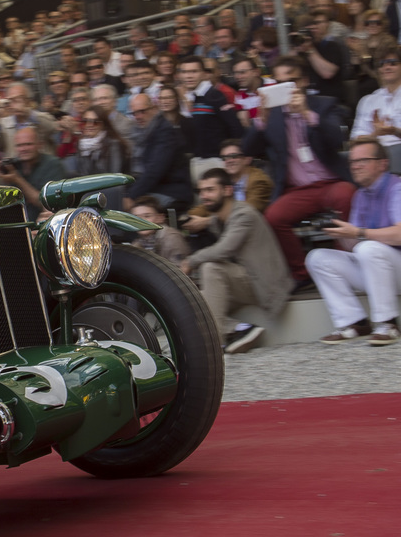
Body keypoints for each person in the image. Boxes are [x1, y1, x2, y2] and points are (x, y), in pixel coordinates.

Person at [306, 136, 401, 346]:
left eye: (362, 161)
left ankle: (388, 323)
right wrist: (342, 234)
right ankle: (353, 322)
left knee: (368, 248)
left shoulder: (399, 188)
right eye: (352, 162)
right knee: (317, 257)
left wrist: (358, 233)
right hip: (378, 264)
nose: (355, 166)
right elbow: (358, 243)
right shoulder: (360, 195)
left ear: (382, 164)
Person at [242, 56, 354, 283]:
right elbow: (247, 150)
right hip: (298, 189)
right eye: (278, 82)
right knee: (273, 217)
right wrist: (260, 121)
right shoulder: (272, 116)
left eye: (290, 82)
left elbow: (337, 139)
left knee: (347, 196)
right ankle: (301, 273)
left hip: (331, 182)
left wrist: (306, 114)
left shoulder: (323, 104)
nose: (284, 88)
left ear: (303, 81)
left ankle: (343, 264)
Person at [180, 169, 293, 354]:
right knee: (195, 299)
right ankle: (239, 329)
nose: (204, 196)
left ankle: (215, 343)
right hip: (245, 281)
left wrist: (191, 261)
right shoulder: (223, 217)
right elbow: (219, 221)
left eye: (210, 190)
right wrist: (205, 221)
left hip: (264, 286)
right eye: (201, 191)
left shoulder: (245, 214)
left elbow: (225, 249)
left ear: (227, 190)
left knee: (211, 268)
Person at [351, 46, 401, 168]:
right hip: (373, 160)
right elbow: (354, 140)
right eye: (381, 64)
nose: (386, 67)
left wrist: (395, 131)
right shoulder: (368, 100)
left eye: (392, 63)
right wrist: (375, 134)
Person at [125, 91, 193, 211]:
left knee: (133, 209)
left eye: (142, 111)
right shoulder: (138, 132)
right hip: (149, 187)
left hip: (170, 190)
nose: (138, 117)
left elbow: (155, 171)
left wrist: (131, 196)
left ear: (154, 108)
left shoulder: (165, 132)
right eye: (134, 113)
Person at [0, 126, 67, 219]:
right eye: (19, 145)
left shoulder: (53, 165)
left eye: (28, 144)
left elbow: (47, 203)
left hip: (44, 224)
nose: (23, 149)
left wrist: (18, 179)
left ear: (40, 145)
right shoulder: (14, 166)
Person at [67, 105, 131, 210]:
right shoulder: (81, 144)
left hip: (111, 192)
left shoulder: (114, 145)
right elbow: (83, 175)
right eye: (85, 121)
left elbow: (114, 177)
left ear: (103, 124)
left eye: (95, 122)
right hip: (90, 192)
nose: (89, 125)